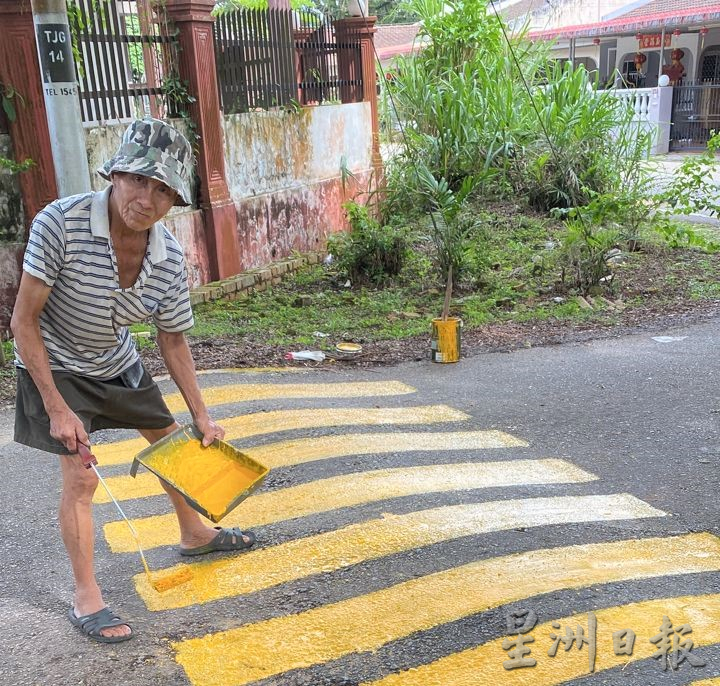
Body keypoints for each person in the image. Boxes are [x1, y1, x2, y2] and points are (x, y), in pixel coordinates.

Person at [10, 118, 255, 644]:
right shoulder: (61, 223)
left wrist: (203, 415)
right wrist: (56, 406)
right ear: (116, 174)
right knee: (81, 479)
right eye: (140, 181)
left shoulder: (166, 257)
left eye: (163, 190)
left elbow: (172, 340)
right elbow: (22, 322)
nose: (148, 198)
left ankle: (194, 534)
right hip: (53, 363)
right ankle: (86, 598)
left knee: (174, 448)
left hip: (115, 360)